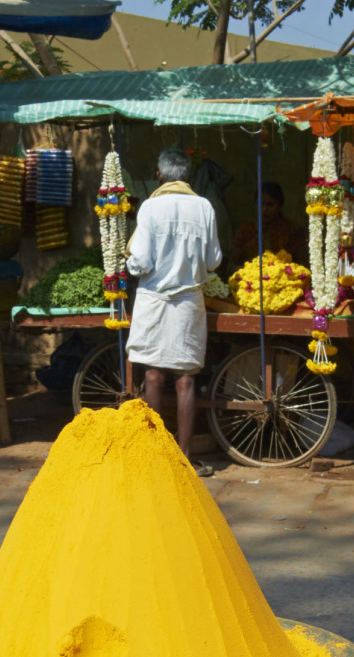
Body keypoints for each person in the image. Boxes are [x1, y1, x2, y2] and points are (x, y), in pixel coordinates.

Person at [126, 148, 222, 477]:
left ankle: (156, 455)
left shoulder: (150, 207)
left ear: (159, 175)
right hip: (188, 301)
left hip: (153, 299)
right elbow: (213, 261)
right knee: (185, 380)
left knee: (153, 376)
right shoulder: (204, 207)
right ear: (189, 176)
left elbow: (140, 262)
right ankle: (183, 457)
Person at [231, 181, 307, 266]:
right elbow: (233, 263)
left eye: (270, 204)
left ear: (280, 205)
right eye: (260, 204)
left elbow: (302, 265)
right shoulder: (245, 231)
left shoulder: (292, 231)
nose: (264, 209)